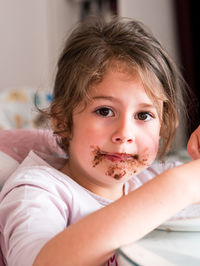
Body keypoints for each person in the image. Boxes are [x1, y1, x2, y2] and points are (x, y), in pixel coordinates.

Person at [0, 16, 200, 266]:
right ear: (62, 120)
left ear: (162, 126)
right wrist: (178, 187)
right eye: (104, 111)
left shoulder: (152, 178)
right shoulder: (38, 192)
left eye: (143, 115)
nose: (124, 133)